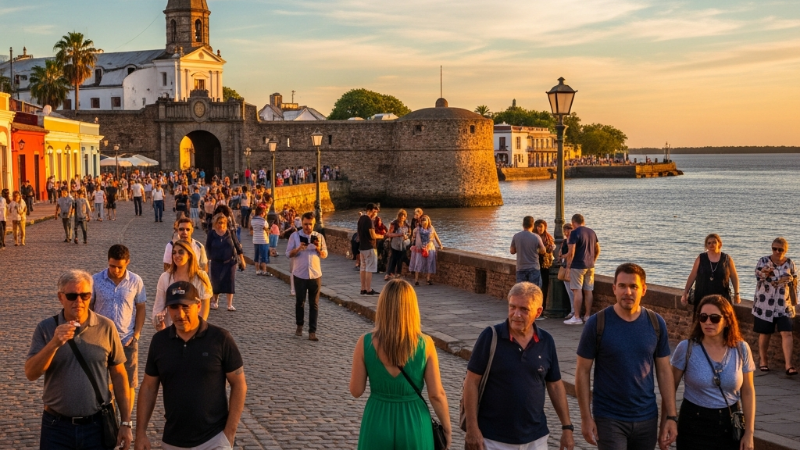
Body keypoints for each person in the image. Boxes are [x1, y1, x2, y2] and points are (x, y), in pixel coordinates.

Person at [25, 270, 133, 450]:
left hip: (96, 426)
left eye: (85, 295)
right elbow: (31, 373)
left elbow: (120, 376)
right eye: (72, 296)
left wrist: (126, 422)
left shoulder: (106, 326)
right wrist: (53, 344)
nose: (79, 302)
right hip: (56, 427)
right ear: (61, 297)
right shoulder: (46, 328)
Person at [575, 263, 677, 450]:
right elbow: (582, 371)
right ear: (614, 289)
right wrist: (585, 417)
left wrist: (670, 417)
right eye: (622, 286)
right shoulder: (597, 323)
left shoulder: (656, 323)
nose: (628, 292)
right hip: (609, 418)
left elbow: (664, 372)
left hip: (646, 417)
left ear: (643, 290)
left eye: (634, 286)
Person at [135, 281, 246, 450]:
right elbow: (149, 387)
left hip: (214, 440)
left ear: (198, 305)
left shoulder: (220, 338)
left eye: (185, 307)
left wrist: (229, 433)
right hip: (173, 440)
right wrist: (141, 432)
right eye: (174, 307)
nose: (179, 314)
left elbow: (239, 384)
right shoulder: (160, 342)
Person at [464, 282, 575, 450]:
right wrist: (472, 428)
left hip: (536, 439)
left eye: (524, 309)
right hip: (493, 439)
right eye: (512, 307)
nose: (516, 314)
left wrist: (567, 427)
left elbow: (555, 385)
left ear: (538, 312)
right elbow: (471, 382)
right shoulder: (490, 337)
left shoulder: (546, 341)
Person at [350, 279, 452, 449]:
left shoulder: (365, 343)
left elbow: (356, 390)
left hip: (377, 421)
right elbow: (436, 394)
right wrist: (447, 429)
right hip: (414, 422)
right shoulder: (425, 344)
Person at [669, 295, 756, 450]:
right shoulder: (686, 348)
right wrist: (669, 420)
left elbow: (748, 391)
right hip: (693, 423)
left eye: (715, 318)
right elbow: (670, 388)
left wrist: (749, 432)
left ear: (727, 320)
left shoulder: (741, 349)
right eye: (703, 317)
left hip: (729, 424)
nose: (708, 322)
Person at [91, 244, 147, 415]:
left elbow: (141, 308)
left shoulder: (136, 281)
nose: (115, 270)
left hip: (127, 340)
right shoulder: (95, 280)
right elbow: (90, 307)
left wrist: (136, 334)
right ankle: (112, 417)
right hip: (101, 340)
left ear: (127, 263)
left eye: (119, 267)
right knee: (105, 382)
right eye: (112, 266)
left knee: (128, 383)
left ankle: (126, 419)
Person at [752, 237, 797, 375]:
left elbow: (795, 283)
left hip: (784, 305)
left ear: (785, 250)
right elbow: (758, 275)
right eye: (774, 249)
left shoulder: (790, 263)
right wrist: (767, 271)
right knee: (765, 334)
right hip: (765, 304)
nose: (777, 251)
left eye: (780, 249)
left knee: (787, 333)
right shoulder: (764, 261)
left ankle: (789, 365)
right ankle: (763, 361)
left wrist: (796, 302)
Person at [285, 212, 328, 341]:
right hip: (300, 274)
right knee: (300, 302)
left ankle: (312, 331)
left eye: (310, 224)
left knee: (314, 304)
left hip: (315, 274)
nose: (308, 227)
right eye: (305, 224)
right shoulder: (295, 236)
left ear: (313, 224)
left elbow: (325, 254)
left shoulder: (319, 236)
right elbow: (288, 254)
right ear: (301, 223)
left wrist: (319, 250)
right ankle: (299, 325)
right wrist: (298, 249)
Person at [153, 239, 212, 330]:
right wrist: (159, 322)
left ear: (189, 255)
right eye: (174, 253)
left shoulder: (201, 277)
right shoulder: (165, 277)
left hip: (194, 329)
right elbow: (159, 306)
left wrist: (199, 328)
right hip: (171, 329)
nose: (177, 255)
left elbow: (205, 305)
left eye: (181, 252)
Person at [681, 234, 741, 313]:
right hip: (702, 296)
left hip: (721, 297)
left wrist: (737, 294)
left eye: (714, 242)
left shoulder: (727, 259)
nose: (711, 245)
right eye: (709, 243)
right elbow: (693, 275)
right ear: (706, 245)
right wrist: (685, 292)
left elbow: (734, 276)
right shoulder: (701, 258)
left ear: (719, 244)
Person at [564, 214, 601, 325]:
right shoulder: (591, 232)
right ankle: (587, 316)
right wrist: (593, 260)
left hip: (578, 265)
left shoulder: (575, 232)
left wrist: (568, 267)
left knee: (577, 290)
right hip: (590, 265)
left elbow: (571, 252)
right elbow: (597, 248)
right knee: (588, 290)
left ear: (573, 222)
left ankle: (576, 317)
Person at [206, 213, 245, 311]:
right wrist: (206, 262)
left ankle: (229, 304)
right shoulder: (211, 234)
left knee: (230, 281)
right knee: (216, 281)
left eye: (223, 223)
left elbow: (237, 245)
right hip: (216, 261)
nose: (221, 225)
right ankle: (215, 301)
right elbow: (207, 248)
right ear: (215, 223)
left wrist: (242, 260)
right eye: (219, 223)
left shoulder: (230, 233)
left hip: (230, 262)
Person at [510, 216, 547, 287]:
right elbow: (543, 250)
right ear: (533, 225)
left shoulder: (516, 236)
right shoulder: (536, 237)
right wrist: (536, 250)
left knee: (521, 291)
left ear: (523, 224)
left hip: (520, 268)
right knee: (534, 291)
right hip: (533, 268)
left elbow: (512, 251)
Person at [358, 203, 384, 295]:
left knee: (363, 267)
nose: (376, 214)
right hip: (370, 247)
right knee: (369, 268)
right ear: (372, 210)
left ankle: (363, 288)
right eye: (376, 211)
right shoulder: (369, 220)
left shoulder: (361, 219)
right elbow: (372, 235)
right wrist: (382, 236)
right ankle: (368, 289)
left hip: (362, 247)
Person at [409, 215, 443, 286]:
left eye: (425, 220)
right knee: (418, 263)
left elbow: (436, 236)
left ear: (428, 221)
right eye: (422, 221)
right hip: (420, 248)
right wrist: (413, 237)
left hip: (430, 248)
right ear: (420, 222)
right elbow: (413, 238)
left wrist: (440, 245)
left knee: (429, 263)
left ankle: (428, 279)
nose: (424, 222)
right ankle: (416, 279)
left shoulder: (431, 228)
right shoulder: (417, 229)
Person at [534, 219, 556, 312]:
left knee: (544, 286)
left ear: (545, 227)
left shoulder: (548, 237)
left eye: (541, 226)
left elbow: (552, 247)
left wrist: (551, 248)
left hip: (545, 265)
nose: (540, 228)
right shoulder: (533, 237)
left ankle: (542, 307)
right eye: (538, 226)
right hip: (535, 263)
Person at [386, 209, 410, 280]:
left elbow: (409, 233)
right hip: (395, 244)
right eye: (401, 216)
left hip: (403, 244)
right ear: (398, 216)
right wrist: (398, 234)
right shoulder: (394, 224)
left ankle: (398, 273)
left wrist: (406, 236)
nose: (402, 218)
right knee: (394, 258)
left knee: (400, 258)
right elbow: (388, 234)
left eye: (404, 216)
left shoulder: (406, 224)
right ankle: (390, 273)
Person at [559, 223, 576, 320]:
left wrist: (563, 256)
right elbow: (561, 252)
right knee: (569, 290)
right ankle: (572, 310)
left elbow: (571, 254)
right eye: (565, 230)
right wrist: (561, 255)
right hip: (565, 266)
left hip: (571, 267)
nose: (566, 232)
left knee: (572, 290)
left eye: (568, 230)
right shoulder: (564, 241)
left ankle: (574, 311)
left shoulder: (573, 241)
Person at [250, 205, 271, 275]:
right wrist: (270, 231)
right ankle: (264, 270)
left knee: (256, 256)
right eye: (264, 212)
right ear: (262, 213)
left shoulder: (252, 220)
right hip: (263, 240)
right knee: (264, 256)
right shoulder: (263, 221)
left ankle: (257, 270)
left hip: (255, 240)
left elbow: (251, 229)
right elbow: (267, 229)